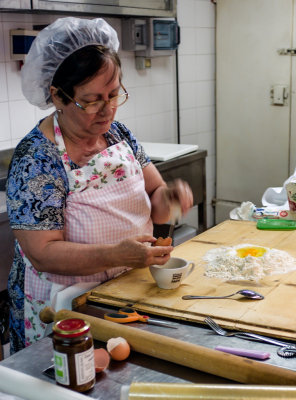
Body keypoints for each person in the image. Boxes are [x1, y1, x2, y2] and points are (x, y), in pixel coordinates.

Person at [6, 17, 193, 354]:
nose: (107, 109)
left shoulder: (119, 134)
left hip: (123, 291)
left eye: (114, 94)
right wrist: (115, 255)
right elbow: (43, 254)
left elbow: (156, 198)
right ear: (58, 97)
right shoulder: (37, 159)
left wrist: (171, 196)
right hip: (63, 307)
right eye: (91, 100)